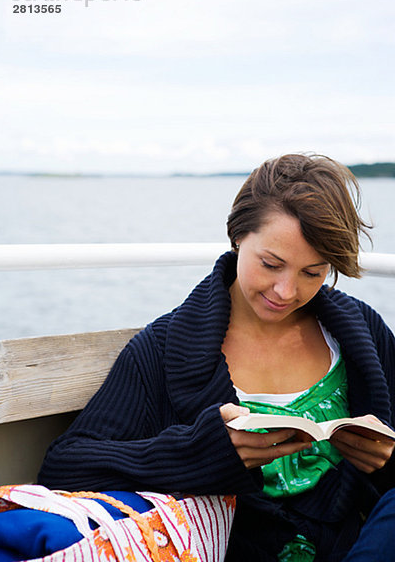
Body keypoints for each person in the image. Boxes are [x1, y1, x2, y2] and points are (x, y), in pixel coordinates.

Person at [38, 153, 395, 561]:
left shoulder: (359, 330)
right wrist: (200, 452)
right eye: (271, 264)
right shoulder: (164, 347)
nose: (285, 291)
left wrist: (385, 460)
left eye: (312, 273)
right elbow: (65, 467)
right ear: (239, 235)